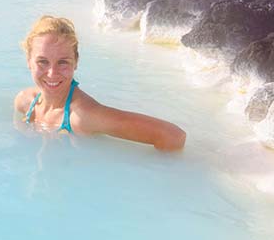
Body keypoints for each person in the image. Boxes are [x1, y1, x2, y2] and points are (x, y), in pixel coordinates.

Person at [14, 16, 186, 151]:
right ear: (29, 61)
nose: (52, 73)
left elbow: (172, 135)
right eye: (42, 62)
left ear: (76, 62)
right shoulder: (25, 102)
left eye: (63, 62)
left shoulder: (83, 117)